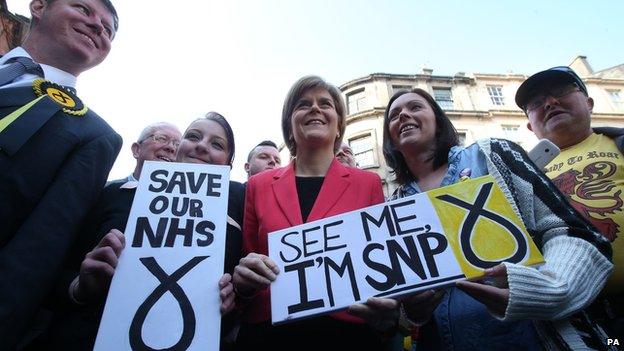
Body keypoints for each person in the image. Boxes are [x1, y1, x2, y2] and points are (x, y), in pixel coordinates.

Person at [382, 88, 613, 350]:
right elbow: (402, 304)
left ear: (438, 119)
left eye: (415, 107)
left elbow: (571, 233)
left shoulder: (493, 154)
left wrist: (548, 290)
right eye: (394, 116)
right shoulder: (393, 205)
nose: (403, 116)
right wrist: (412, 311)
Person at [40, 115, 242, 350]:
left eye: (216, 144)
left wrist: (232, 300)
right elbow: (49, 272)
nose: (201, 145)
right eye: (193, 137)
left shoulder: (234, 222)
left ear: (228, 165)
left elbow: (233, 312)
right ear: (178, 150)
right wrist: (79, 287)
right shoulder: (112, 194)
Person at [232, 76, 398, 350]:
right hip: (267, 335)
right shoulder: (258, 186)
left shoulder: (367, 184)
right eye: (303, 104)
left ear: (339, 125)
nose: (315, 109)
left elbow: (378, 262)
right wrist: (243, 282)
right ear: (290, 124)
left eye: (326, 104)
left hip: (347, 335)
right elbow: (248, 262)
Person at [0, 0, 122, 348]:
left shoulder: (93, 136)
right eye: (84, 9)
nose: (98, 26)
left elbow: (33, 257)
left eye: (109, 28)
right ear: (38, 6)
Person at [517, 66, 624, 340]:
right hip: (576, 320)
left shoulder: (617, 143)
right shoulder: (522, 173)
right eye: (536, 104)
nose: (550, 103)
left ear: (589, 103)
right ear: (530, 125)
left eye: (562, 92)